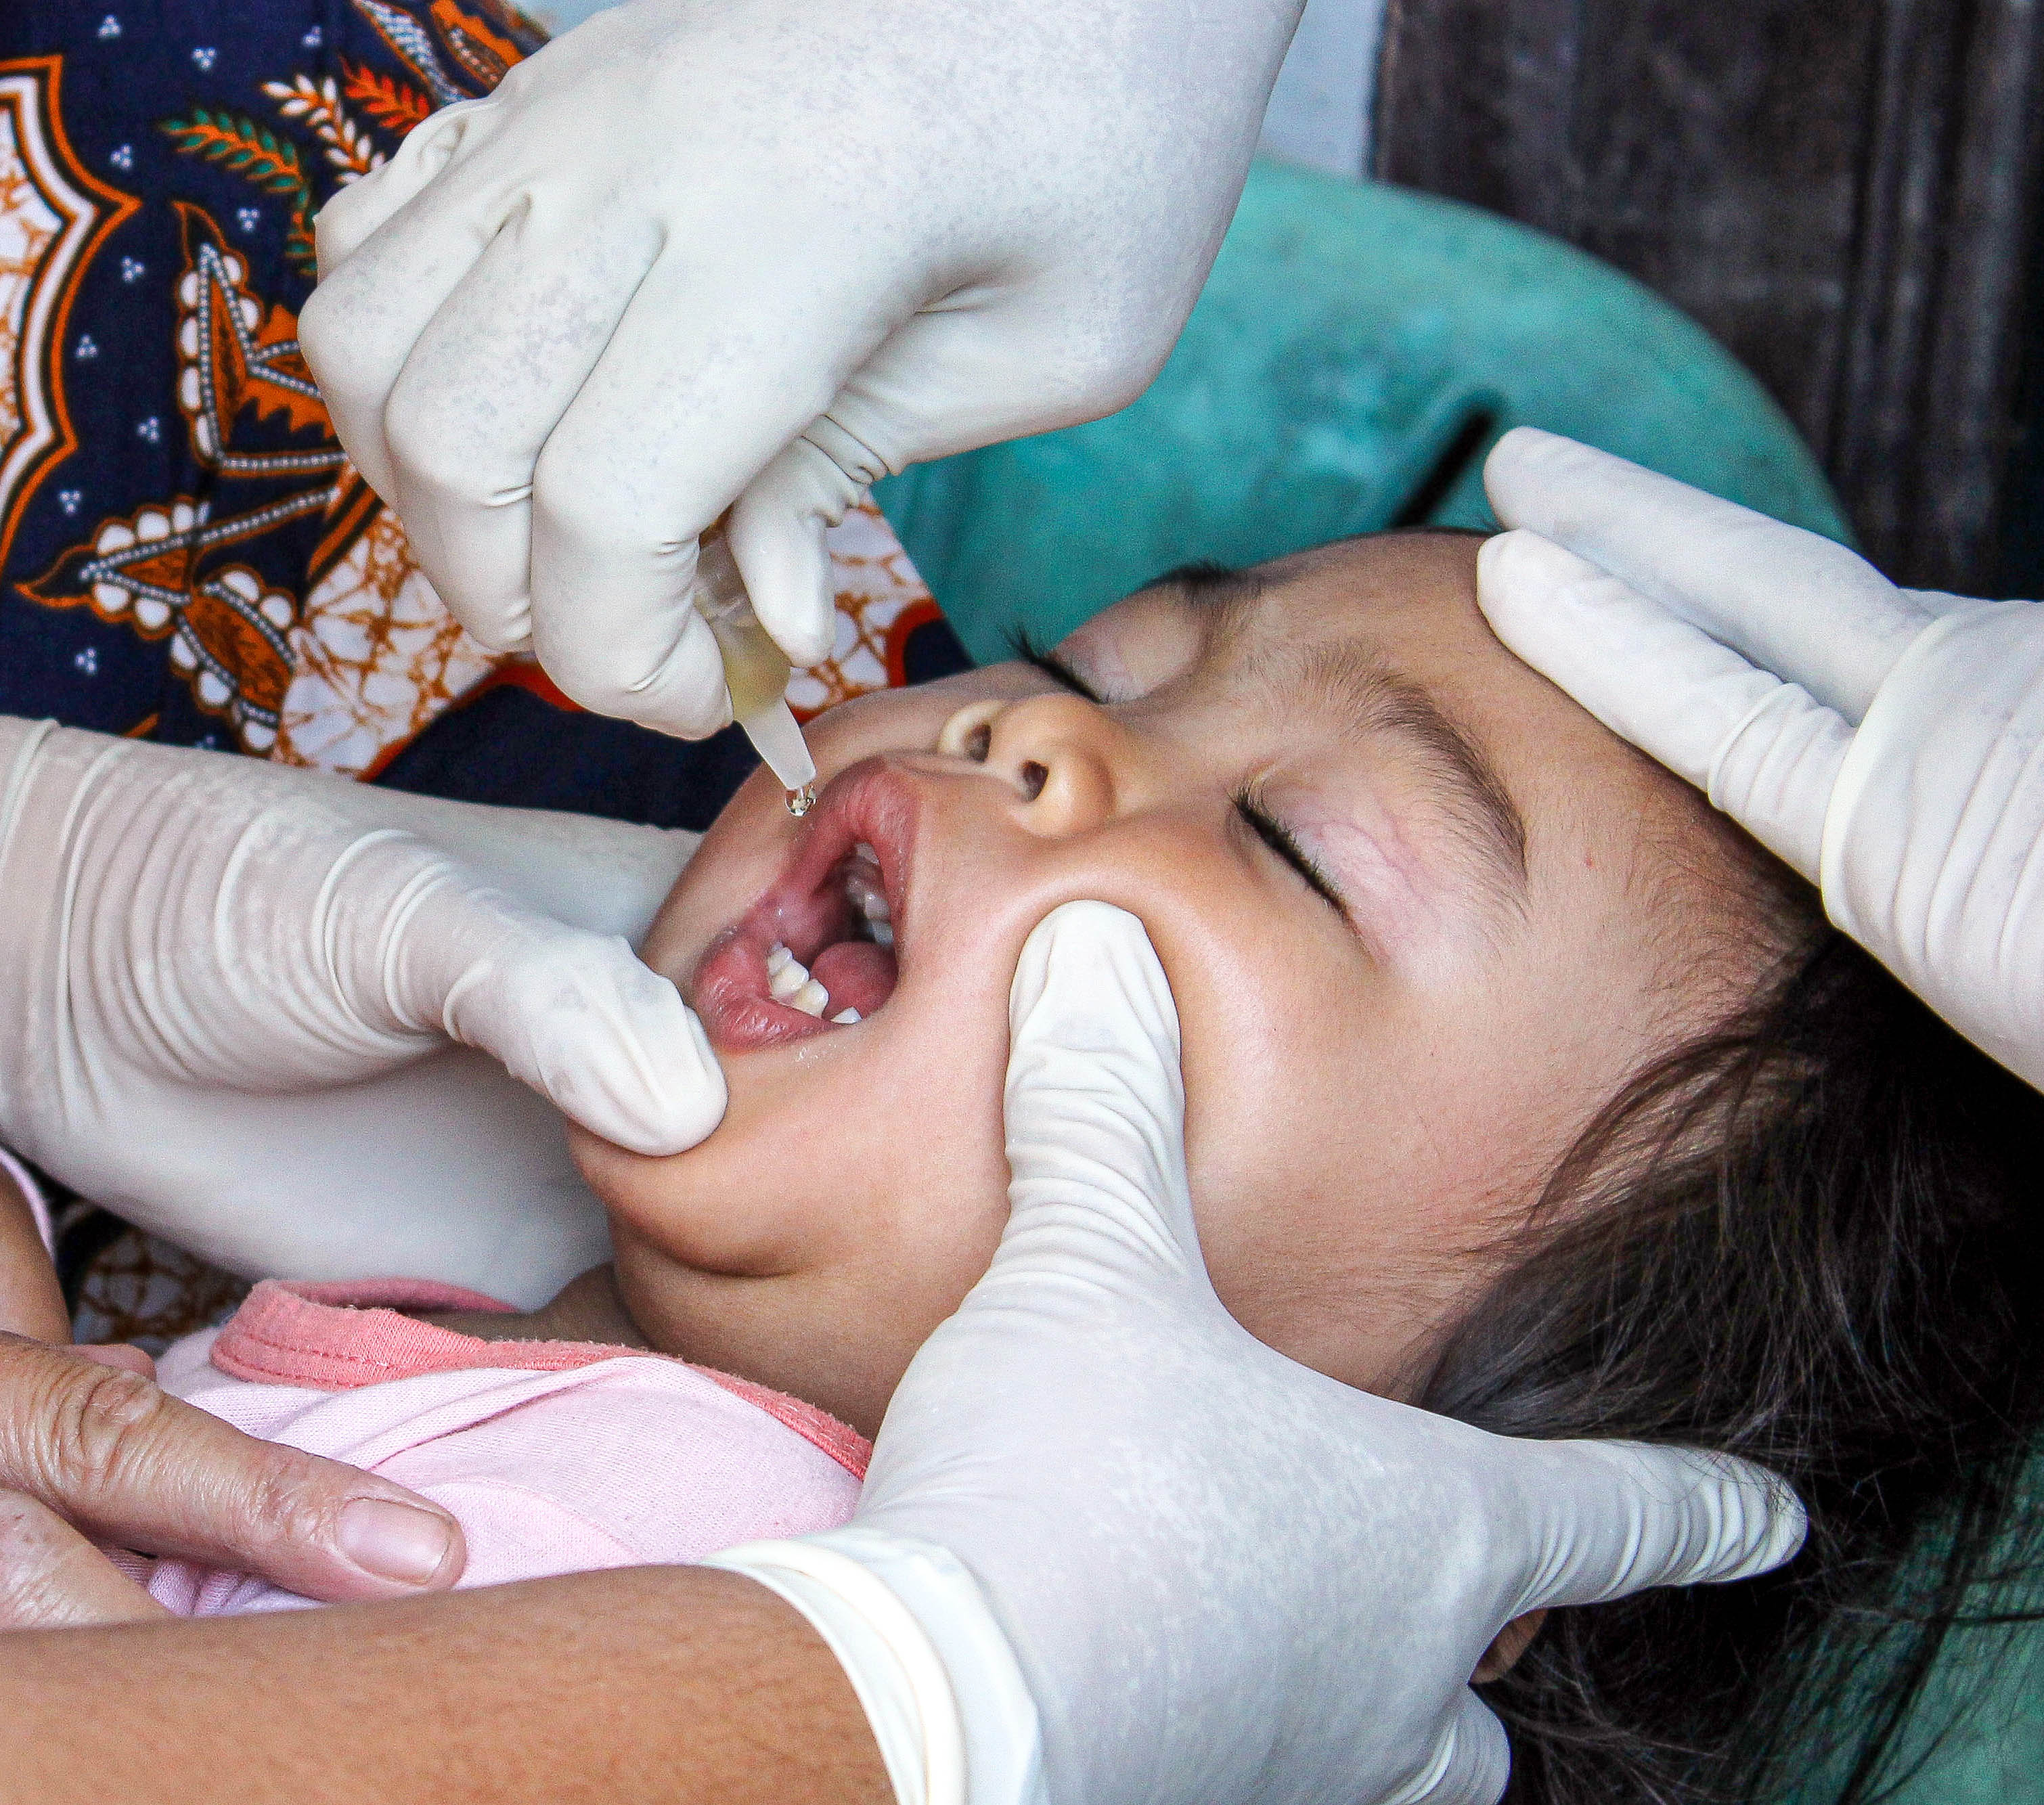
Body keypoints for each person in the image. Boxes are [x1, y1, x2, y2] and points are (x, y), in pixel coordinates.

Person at [9, 527, 2039, 1804]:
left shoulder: (721, 1601)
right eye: (1092, 665)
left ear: (1418, 1535)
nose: (1029, 742)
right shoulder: (492, 1365)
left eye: (1294, 850)